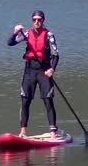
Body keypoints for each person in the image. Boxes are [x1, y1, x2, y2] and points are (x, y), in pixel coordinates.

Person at [8, 9, 59, 137]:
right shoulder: (26, 34)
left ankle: (53, 132)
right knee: (25, 100)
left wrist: (52, 69)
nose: (37, 22)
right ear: (32, 21)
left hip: (44, 70)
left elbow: (56, 55)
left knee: (48, 99)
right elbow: (10, 43)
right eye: (34, 20)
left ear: (43, 20)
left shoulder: (49, 35)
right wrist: (15, 33)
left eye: (39, 20)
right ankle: (23, 132)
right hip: (29, 71)